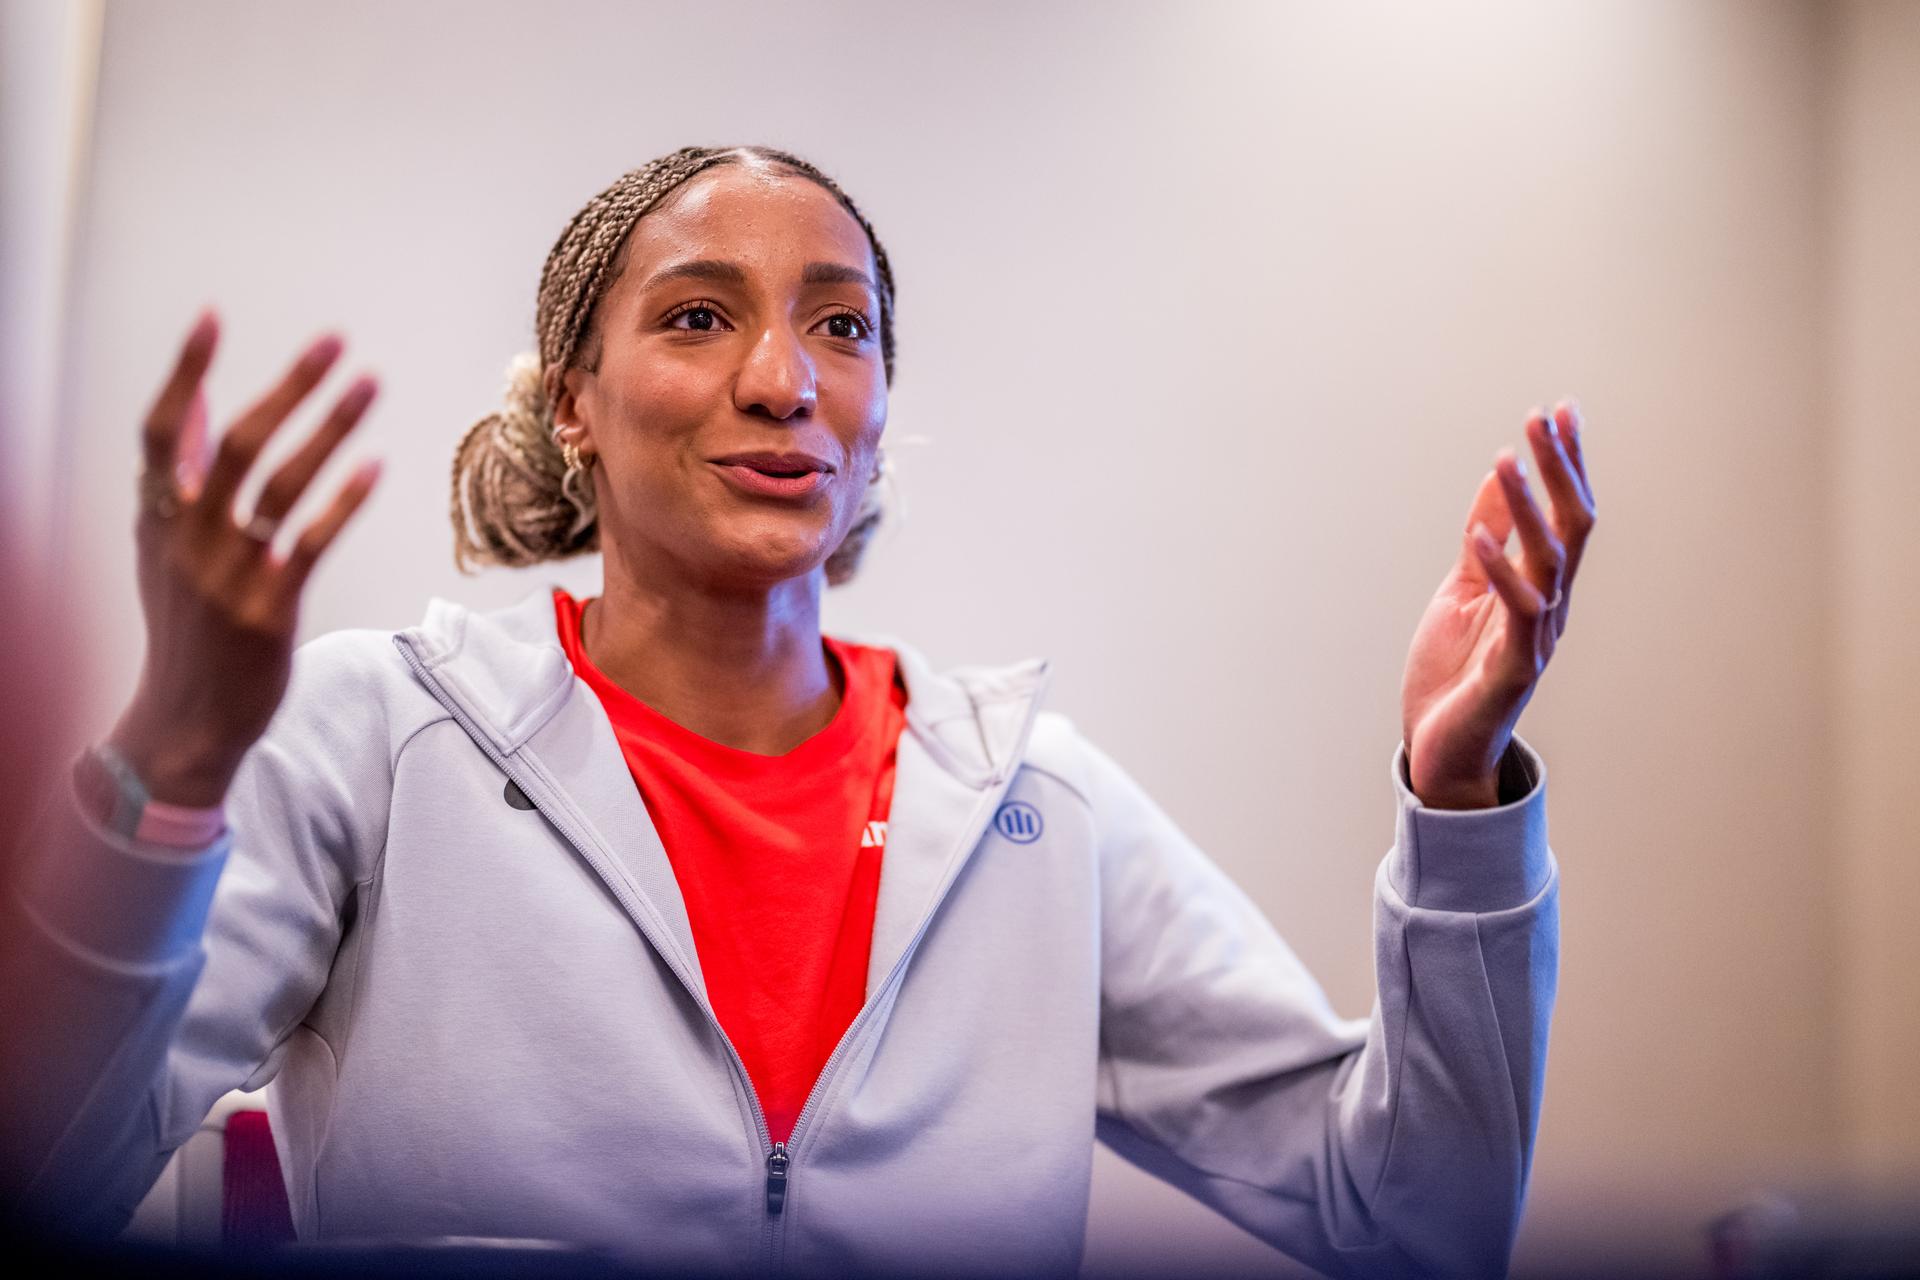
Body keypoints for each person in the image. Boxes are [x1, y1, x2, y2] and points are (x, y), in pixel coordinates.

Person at [2, 144, 1595, 1278]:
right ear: (573, 400)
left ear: (881, 406)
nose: (787, 378)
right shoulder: (381, 736)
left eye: (843, 325)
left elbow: (1418, 1221)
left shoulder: (1029, 806)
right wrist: (178, 760)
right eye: (699, 315)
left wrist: (1459, 804)